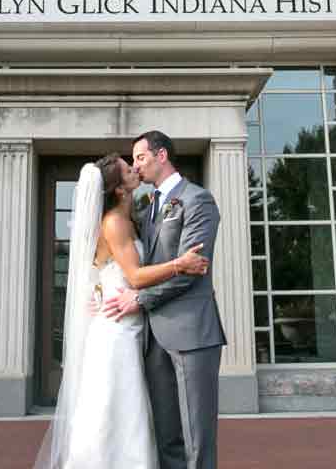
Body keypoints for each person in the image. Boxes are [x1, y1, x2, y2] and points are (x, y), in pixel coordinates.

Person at [33, 152, 211, 469]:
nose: (136, 168)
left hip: (130, 323)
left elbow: (104, 271)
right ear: (119, 188)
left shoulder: (133, 218)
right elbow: (135, 276)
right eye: (130, 168)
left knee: (128, 410)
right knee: (115, 411)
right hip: (116, 331)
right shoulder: (114, 222)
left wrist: (97, 291)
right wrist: (179, 264)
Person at [105, 130, 226, 469]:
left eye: (140, 158)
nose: (136, 166)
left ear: (161, 156)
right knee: (166, 435)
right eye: (132, 162)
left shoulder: (197, 200)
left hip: (191, 333)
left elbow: (192, 270)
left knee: (197, 437)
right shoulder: (146, 209)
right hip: (153, 339)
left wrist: (139, 300)